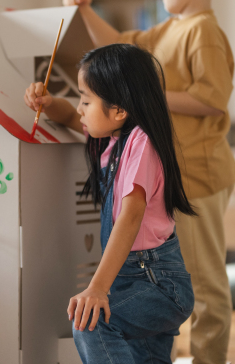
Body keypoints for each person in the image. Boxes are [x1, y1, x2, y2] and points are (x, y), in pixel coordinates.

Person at [62, 0, 235, 362]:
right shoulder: (169, 28)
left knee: (206, 284)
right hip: (174, 177)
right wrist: (87, 10)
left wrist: (145, 94)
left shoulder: (203, 31)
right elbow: (122, 46)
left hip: (200, 175)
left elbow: (212, 99)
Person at [24, 44, 196, 363]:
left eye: (86, 100)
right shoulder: (117, 138)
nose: (80, 108)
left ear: (118, 110)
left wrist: (97, 288)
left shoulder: (141, 142)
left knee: (90, 323)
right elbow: (71, 117)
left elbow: (129, 218)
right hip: (136, 279)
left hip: (158, 282)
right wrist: (47, 103)